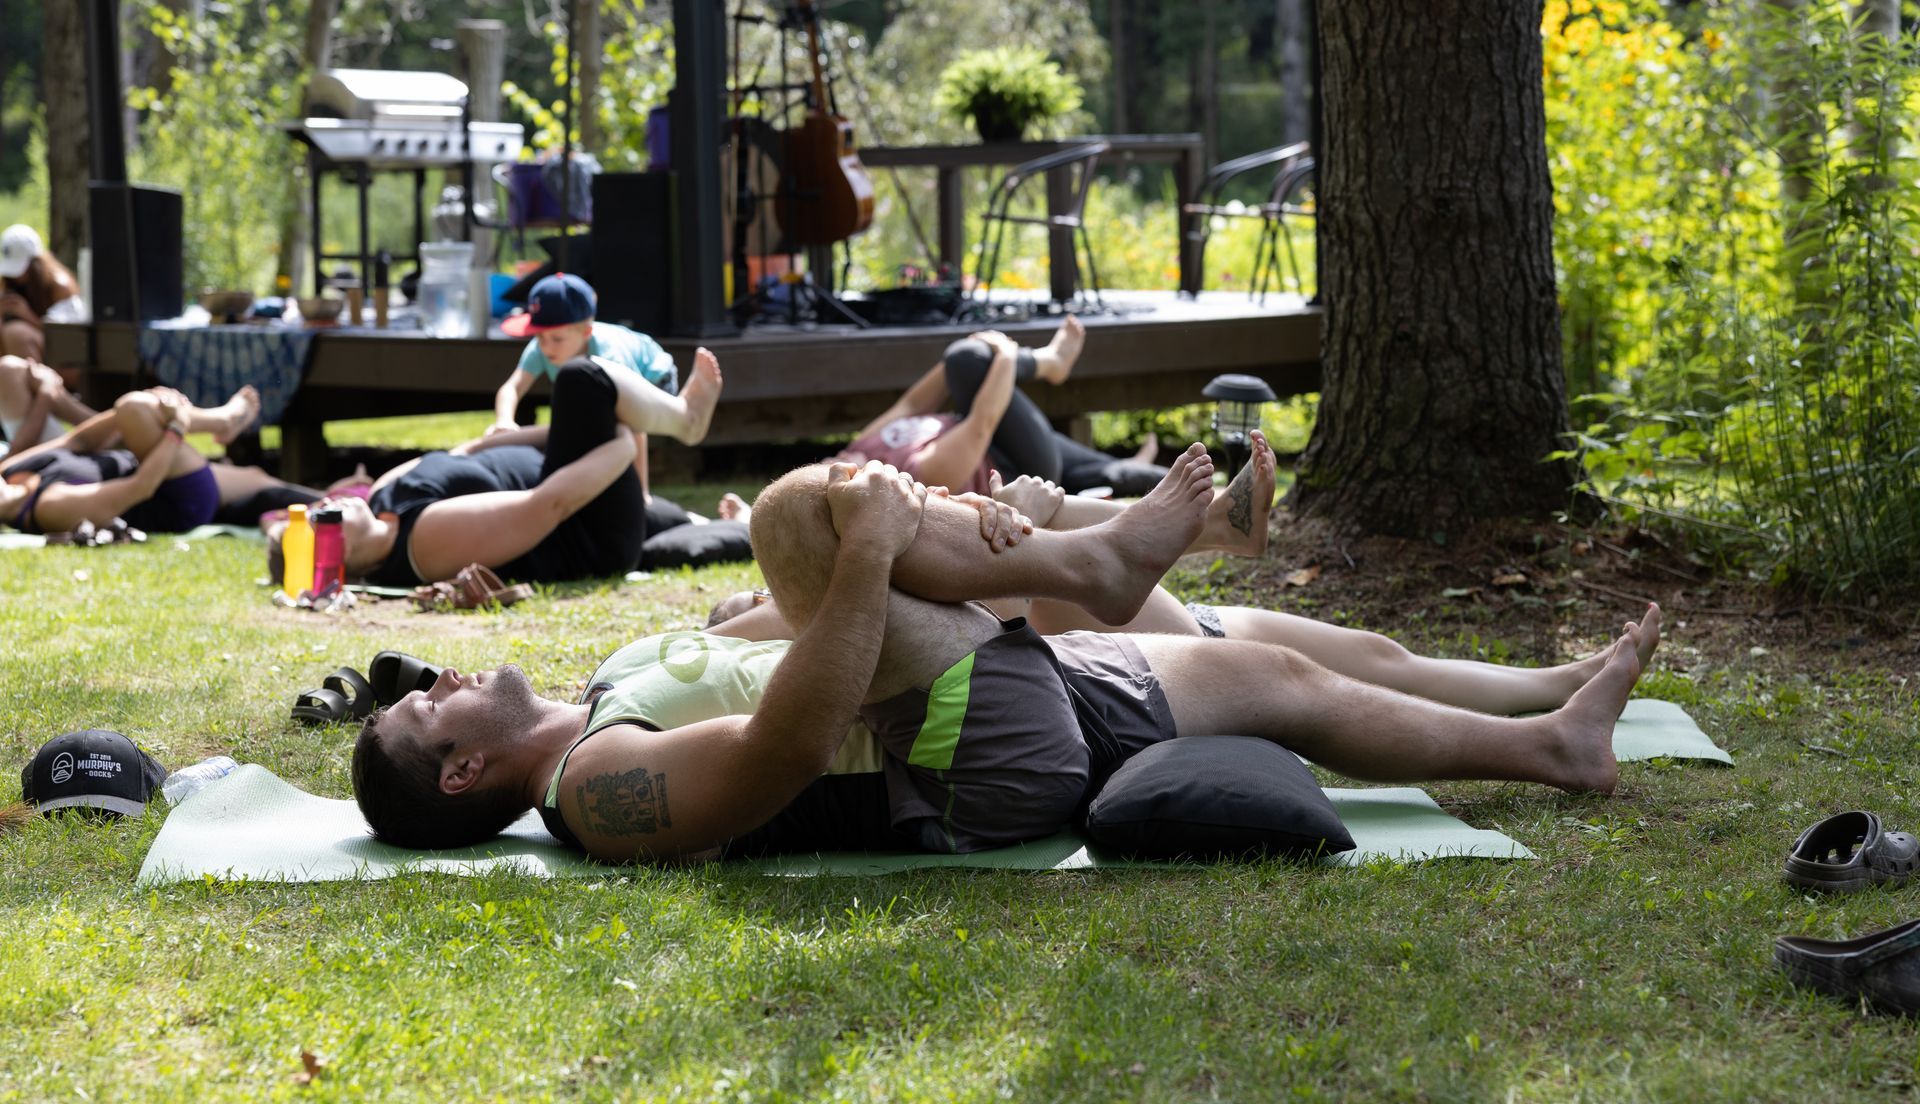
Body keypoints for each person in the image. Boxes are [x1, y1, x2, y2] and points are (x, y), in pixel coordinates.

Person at [350, 449, 1653, 861]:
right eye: (430, 711)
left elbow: (762, 666)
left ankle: (1546, 744)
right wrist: (864, 556)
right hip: (963, 760)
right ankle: (1084, 562)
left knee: (1290, 685)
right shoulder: (595, 794)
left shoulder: (594, 727)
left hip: (981, 717)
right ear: (462, 778)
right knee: (813, 514)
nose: (442, 683)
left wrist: (891, 546)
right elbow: (791, 746)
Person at [705, 442, 1663, 720]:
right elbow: (972, 629)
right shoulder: (797, 623)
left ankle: (1552, 683)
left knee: (1373, 652)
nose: (741, 604)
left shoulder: (816, 591)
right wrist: (1019, 521)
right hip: (1129, 651)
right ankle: (1197, 533)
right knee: (1348, 673)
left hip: (1141, 624)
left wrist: (998, 516)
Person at [293, 349, 723, 588]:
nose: (328, 505)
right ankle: (685, 420)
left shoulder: (386, 493)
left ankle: (727, 520)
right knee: (582, 380)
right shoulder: (421, 541)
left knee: (701, 529)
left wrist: (564, 433)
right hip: (588, 527)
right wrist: (619, 447)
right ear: (337, 554)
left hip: (580, 478)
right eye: (322, 520)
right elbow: (547, 506)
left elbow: (475, 448)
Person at [837, 317, 1165, 498]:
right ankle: (1051, 362)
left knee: (1112, 476)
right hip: (1019, 464)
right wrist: (1006, 354)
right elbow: (982, 423)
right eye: (828, 478)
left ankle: (1143, 470)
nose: (828, 465)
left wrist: (975, 341)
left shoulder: (862, 446)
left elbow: (912, 403)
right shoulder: (913, 473)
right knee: (967, 360)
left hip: (1006, 440)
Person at [0, 383, 300, 536]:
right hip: (173, 500)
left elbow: (76, 440)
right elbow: (141, 487)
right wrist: (176, 427)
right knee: (135, 407)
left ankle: (341, 497)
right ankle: (223, 420)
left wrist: (140, 409)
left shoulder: (10, 469)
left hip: (157, 467)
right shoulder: (47, 506)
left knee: (260, 480)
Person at [492, 273, 679, 514]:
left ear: (585, 333)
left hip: (656, 379)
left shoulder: (610, 356)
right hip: (597, 386)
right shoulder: (541, 348)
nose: (546, 346)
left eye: (557, 339)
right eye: (539, 336)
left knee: (618, 427)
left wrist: (641, 494)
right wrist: (504, 420)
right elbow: (512, 388)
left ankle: (629, 490)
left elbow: (636, 427)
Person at [0, 225, 86, 366]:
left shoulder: (61, 286)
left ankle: (34, 384)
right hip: (32, 353)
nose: (15, 277)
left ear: (35, 262)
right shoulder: (9, 285)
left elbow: (70, 339)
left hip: (65, 360)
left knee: (16, 333)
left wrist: (26, 314)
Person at [0, 355, 95, 461]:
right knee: (9, 369)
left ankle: (61, 400)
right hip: (56, 462)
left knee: (11, 368)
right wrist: (47, 391)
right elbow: (16, 455)